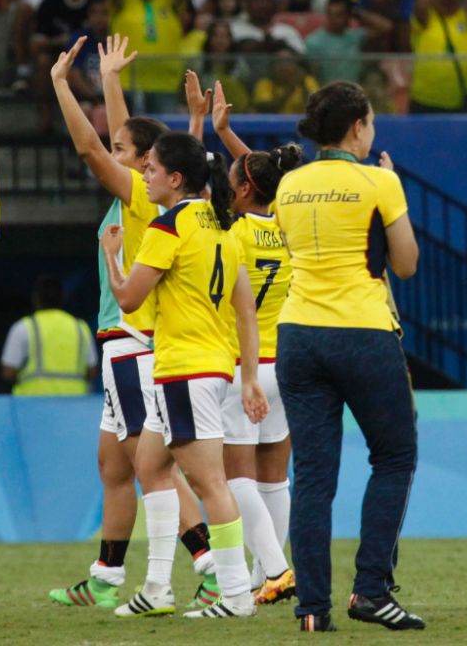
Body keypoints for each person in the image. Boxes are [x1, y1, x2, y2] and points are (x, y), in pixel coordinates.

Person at [46, 34, 216, 609]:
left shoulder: (139, 196)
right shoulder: (146, 198)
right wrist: (112, 80)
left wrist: (62, 86)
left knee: (153, 467)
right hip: (128, 339)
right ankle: (107, 575)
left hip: (134, 337)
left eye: (128, 149)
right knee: (115, 463)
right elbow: (140, 150)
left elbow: (93, 151)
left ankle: (209, 563)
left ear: (148, 164)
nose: (115, 150)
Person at [274, 81, 423, 632]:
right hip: (361, 330)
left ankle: (312, 608)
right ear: (357, 126)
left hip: (298, 334)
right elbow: (405, 265)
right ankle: (371, 591)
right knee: (394, 457)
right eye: (372, 122)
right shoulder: (379, 180)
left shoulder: (289, 184)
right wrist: (394, 195)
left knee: (312, 477)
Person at [100, 130, 263, 619]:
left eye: (150, 169)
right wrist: (249, 376)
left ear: (174, 178)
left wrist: (112, 255)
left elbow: (127, 301)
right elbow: (245, 309)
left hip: (182, 369)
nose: (143, 176)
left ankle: (235, 593)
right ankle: (156, 587)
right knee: (150, 466)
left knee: (211, 483)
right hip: (211, 365)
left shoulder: (166, 228)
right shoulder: (222, 226)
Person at [207, 96, 304, 606]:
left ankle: (276, 568)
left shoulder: (231, 228)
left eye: (231, 179)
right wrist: (228, 136)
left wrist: (212, 129)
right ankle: (263, 575)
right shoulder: (290, 225)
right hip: (283, 364)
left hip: (240, 366)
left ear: (243, 188)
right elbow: (268, 181)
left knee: (233, 475)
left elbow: (251, 183)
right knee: (273, 478)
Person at [0, 276, 94, 395]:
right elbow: (92, 371)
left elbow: (8, 372)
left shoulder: (22, 327)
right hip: (75, 404)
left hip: (32, 405)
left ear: (35, 298)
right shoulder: (81, 327)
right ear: (63, 297)